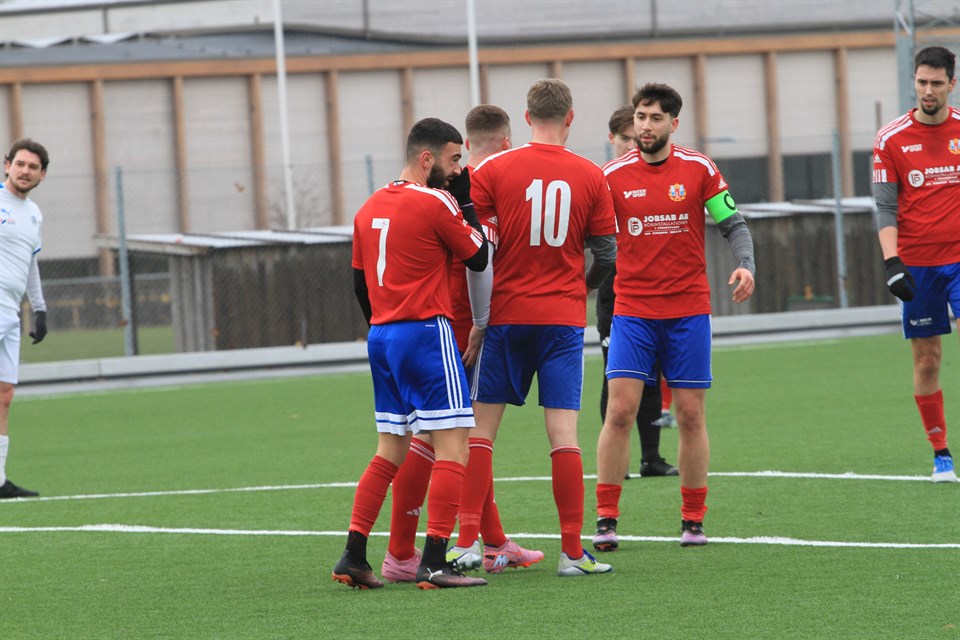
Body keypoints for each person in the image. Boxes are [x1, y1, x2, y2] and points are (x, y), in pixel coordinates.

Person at [380, 105, 544, 583]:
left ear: (469, 144)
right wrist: (483, 321)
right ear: (507, 142)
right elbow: (480, 262)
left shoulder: (428, 189)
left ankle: (491, 539)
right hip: (458, 324)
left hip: (417, 323)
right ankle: (416, 549)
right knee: (446, 437)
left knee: (454, 435)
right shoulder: (472, 190)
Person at [464, 78, 618, 577]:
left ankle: (465, 546)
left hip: (506, 316)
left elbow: (476, 247)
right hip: (562, 319)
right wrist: (582, 288)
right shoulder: (591, 174)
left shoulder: (493, 169)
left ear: (527, 118)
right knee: (563, 435)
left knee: (480, 432)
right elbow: (607, 255)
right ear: (570, 118)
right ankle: (571, 552)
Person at [594, 83, 756, 550]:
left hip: (688, 312)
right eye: (640, 117)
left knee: (689, 414)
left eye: (655, 118)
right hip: (632, 312)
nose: (645, 126)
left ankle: (693, 520)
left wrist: (746, 264)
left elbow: (734, 224)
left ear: (673, 123)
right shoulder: (610, 176)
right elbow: (589, 237)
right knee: (619, 412)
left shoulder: (699, 169)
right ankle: (605, 520)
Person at [332, 117, 490, 590]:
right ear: (427, 159)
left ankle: (353, 555)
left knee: (390, 449)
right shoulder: (435, 201)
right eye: (454, 160)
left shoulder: (368, 207)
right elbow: (479, 255)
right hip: (425, 331)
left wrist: (385, 322)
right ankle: (436, 562)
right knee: (455, 444)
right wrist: (466, 201)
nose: (458, 170)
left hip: (382, 336)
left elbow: (359, 284)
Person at [872, 45, 959, 483]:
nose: (928, 90)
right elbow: (886, 208)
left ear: (951, 85)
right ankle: (941, 453)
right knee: (927, 361)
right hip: (918, 265)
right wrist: (892, 263)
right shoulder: (890, 140)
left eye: (936, 83)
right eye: (922, 82)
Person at [596, 106, 678, 486]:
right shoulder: (605, 181)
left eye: (636, 138)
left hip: (652, 295)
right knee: (615, 378)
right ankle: (619, 459)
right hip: (615, 295)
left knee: (653, 376)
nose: (633, 145)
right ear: (612, 139)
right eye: (626, 139)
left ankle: (651, 457)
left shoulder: (653, 178)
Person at [0, 138, 49, 500]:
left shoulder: (34, 214)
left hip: (10, 313)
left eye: (33, 167)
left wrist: (40, 307)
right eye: (20, 164)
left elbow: (30, 262)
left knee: (4, 395)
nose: (25, 171)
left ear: (41, 175)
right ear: (7, 165)